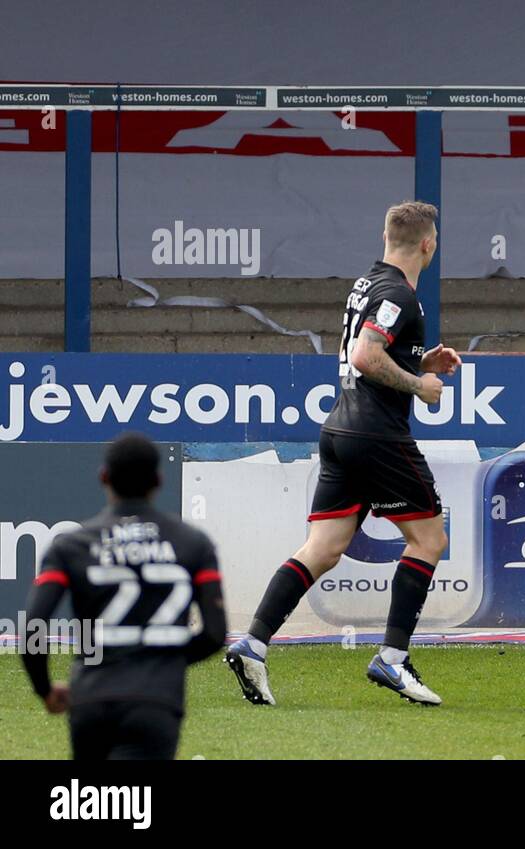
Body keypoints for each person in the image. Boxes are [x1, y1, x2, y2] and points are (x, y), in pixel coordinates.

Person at [226, 200, 461, 707]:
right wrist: (420, 383)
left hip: (340, 429)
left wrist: (422, 356)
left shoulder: (369, 284)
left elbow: (374, 346)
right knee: (429, 539)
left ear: (384, 237)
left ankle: (253, 644)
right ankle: (393, 659)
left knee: (323, 548)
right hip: (377, 434)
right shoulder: (400, 292)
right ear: (429, 244)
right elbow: (365, 355)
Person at [21, 432, 227, 759]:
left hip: (90, 698)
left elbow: (33, 626)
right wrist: (163, 661)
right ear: (159, 480)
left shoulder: (71, 545)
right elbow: (216, 634)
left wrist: (44, 690)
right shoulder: (193, 543)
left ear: (103, 477)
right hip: (156, 701)